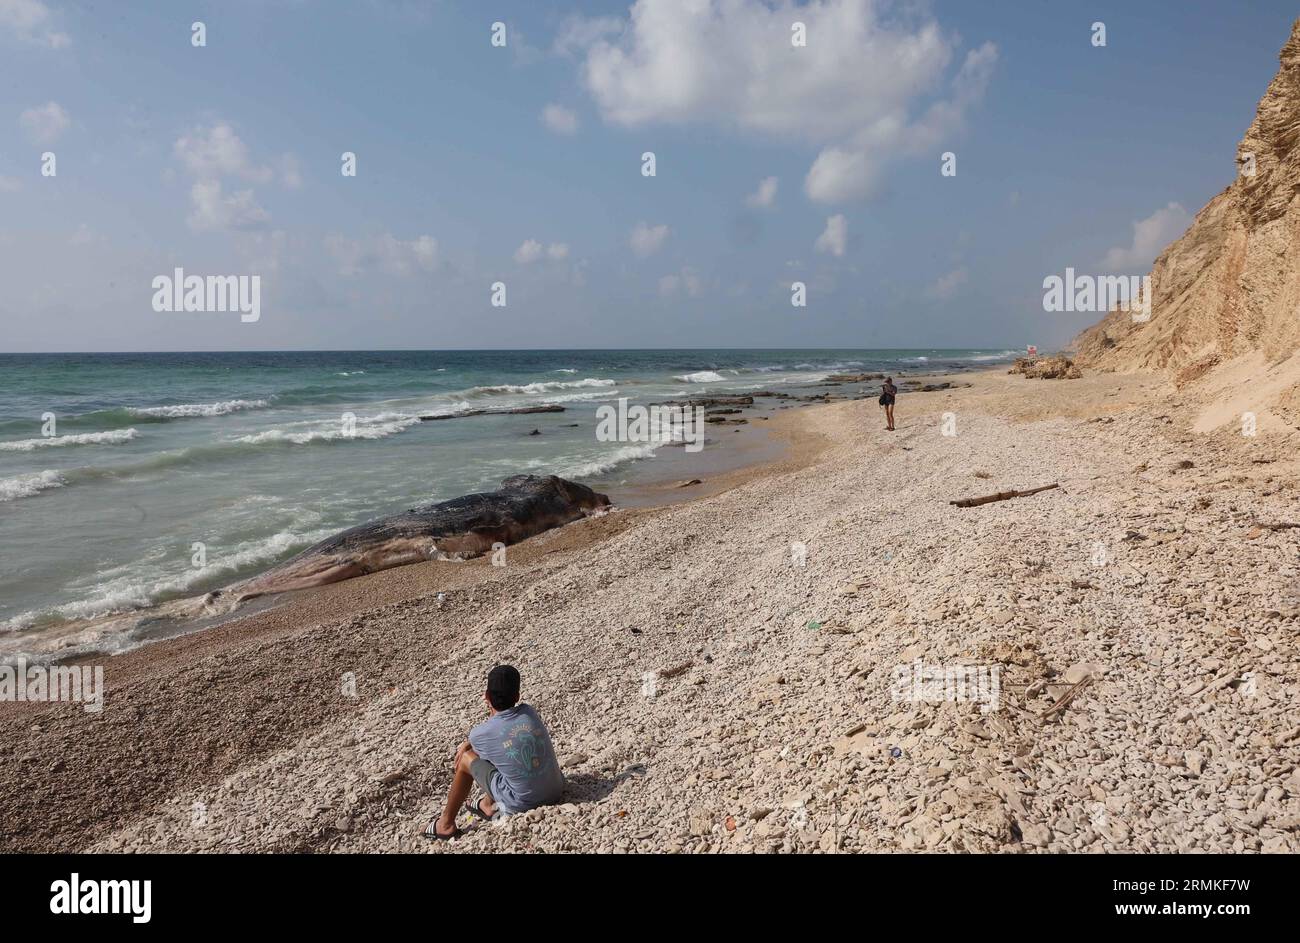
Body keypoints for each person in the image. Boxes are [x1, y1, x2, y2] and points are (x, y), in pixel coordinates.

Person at [426, 664, 565, 840]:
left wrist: (468, 744)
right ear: (517, 696)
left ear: (486, 696)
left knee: (466, 760)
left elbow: (490, 741)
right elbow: (504, 736)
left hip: (523, 803)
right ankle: (486, 804)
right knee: (505, 754)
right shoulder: (528, 711)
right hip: (556, 789)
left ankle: (445, 825)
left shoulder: (481, 734)